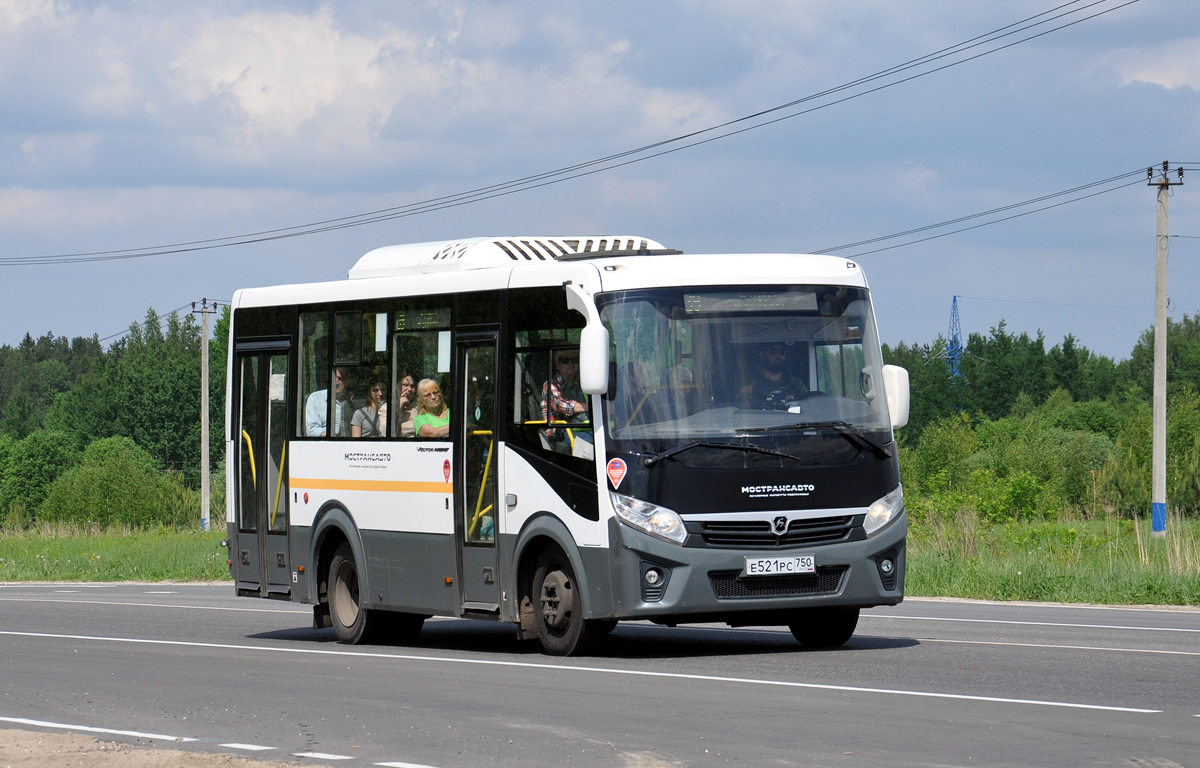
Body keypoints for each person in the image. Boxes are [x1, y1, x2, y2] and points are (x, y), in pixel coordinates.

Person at [542, 349, 592, 443]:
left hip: (582, 428)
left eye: (575, 360)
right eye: (565, 360)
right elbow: (560, 405)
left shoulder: (581, 383)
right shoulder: (550, 385)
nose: (571, 364)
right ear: (558, 365)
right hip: (559, 433)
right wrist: (592, 407)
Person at [741, 342, 808, 408]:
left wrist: (794, 402)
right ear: (762, 354)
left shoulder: (796, 384)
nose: (778, 356)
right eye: (773, 352)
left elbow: (808, 406)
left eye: (782, 352)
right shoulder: (748, 382)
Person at [305, 366, 350, 436]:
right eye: (334, 378)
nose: (336, 382)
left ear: (347, 381)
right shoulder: (315, 398)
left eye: (340, 379)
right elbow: (312, 430)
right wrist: (333, 437)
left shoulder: (353, 401)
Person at [392, 374, 419, 438]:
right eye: (405, 385)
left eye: (412, 386)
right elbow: (385, 432)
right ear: (397, 387)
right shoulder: (387, 408)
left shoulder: (418, 409)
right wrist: (399, 407)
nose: (409, 389)